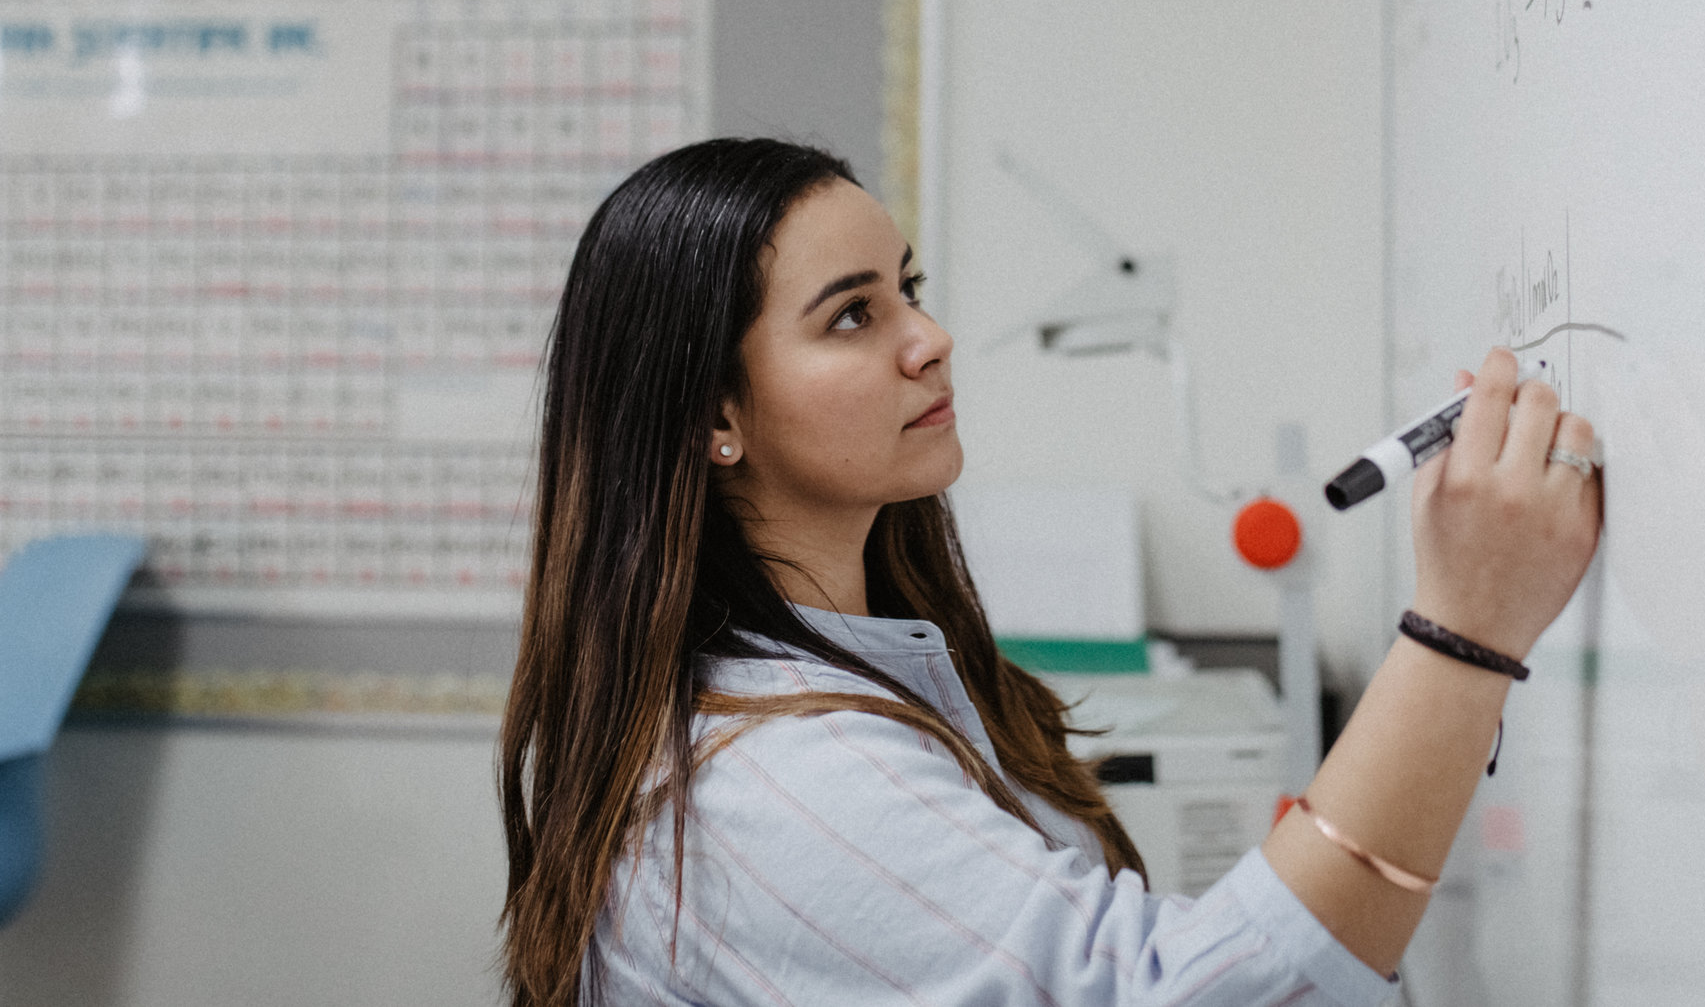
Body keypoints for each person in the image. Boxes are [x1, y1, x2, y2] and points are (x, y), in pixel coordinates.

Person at [498, 139, 1602, 1006]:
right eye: (852, 313)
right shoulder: (773, 786)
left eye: (907, 287)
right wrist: (1462, 624)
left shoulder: (864, 677)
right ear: (714, 417)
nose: (928, 336)